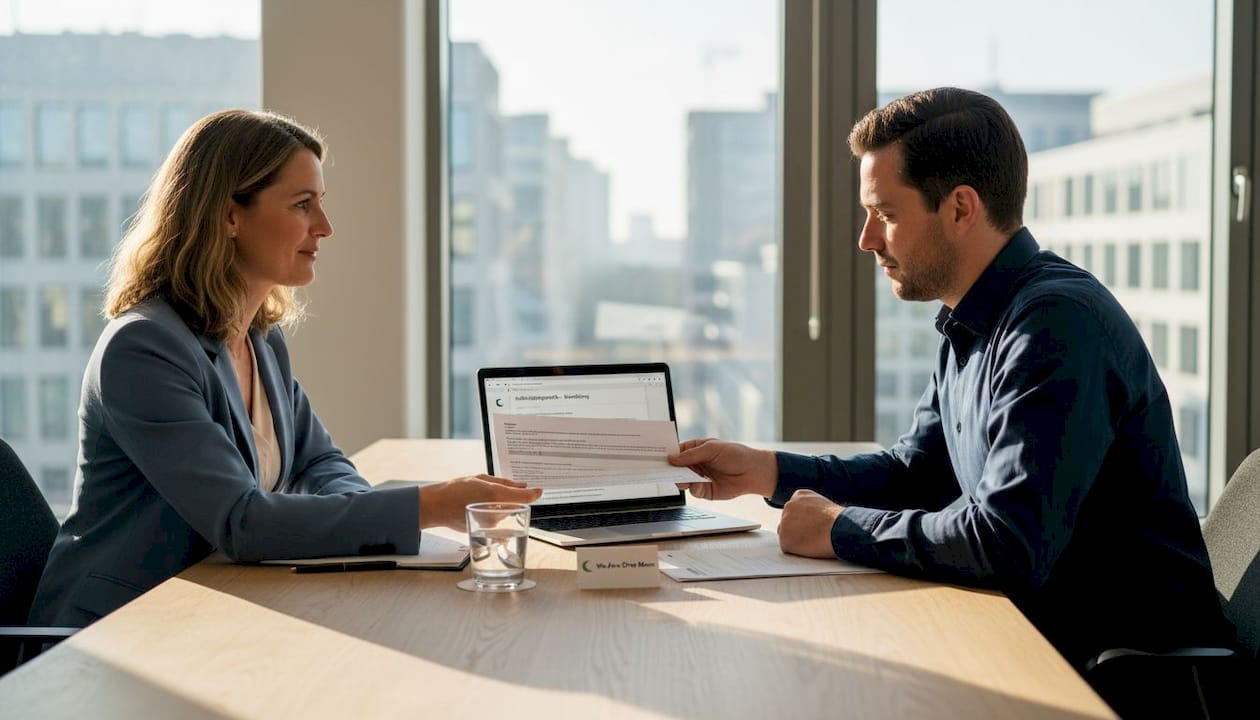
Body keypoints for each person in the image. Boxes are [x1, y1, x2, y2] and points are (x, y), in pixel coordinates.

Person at [669, 87, 1232, 669]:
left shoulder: (1056, 325)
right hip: (1031, 641)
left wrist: (839, 529)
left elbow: (1007, 544)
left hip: (1125, 673)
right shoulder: (973, 319)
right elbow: (916, 475)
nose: (866, 239)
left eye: (886, 215)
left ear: (961, 208)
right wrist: (767, 471)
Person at [29, 110, 540, 627]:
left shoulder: (261, 341)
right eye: (302, 204)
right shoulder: (143, 348)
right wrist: (430, 506)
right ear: (230, 216)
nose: (325, 227)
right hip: (112, 631)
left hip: (210, 609)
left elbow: (320, 464)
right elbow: (240, 520)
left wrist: (379, 526)